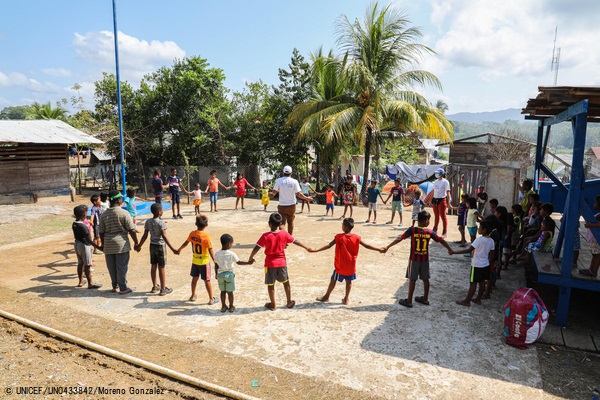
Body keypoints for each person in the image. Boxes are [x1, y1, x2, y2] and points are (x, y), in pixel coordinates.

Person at [383, 210, 452, 308]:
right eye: (429, 220)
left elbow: (400, 238)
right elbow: (441, 240)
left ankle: (409, 301)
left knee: (412, 279)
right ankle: (425, 299)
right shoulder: (429, 232)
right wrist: (449, 249)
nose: (429, 222)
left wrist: (388, 246)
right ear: (426, 220)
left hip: (414, 259)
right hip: (424, 260)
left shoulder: (412, 230)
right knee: (426, 279)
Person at [310, 218, 384, 305]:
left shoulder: (339, 237)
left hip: (340, 265)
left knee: (333, 279)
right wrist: (379, 249)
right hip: (351, 265)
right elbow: (367, 246)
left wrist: (316, 250)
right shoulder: (356, 237)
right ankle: (346, 299)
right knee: (348, 282)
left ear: (344, 227)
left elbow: (329, 245)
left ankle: (326, 296)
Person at [248, 212, 311, 310]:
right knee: (286, 282)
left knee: (270, 284)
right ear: (280, 224)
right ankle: (289, 302)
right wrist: (306, 247)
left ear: (269, 223)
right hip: (282, 263)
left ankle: (273, 304)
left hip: (270, 264)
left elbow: (257, 247)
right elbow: (295, 241)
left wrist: (251, 257)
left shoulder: (265, 236)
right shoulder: (284, 234)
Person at [99, 190, 138, 295]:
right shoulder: (124, 213)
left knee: (111, 266)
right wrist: (136, 243)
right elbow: (131, 230)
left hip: (108, 244)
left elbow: (101, 232)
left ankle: (114, 286)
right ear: (119, 200)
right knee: (121, 266)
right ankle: (123, 287)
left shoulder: (104, 214)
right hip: (121, 244)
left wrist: (103, 244)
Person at [135, 203, 179, 296]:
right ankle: (163, 289)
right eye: (162, 210)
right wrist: (173, 249)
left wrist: (139, 245)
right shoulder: (161, 223)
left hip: (152, 246)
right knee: (161, 267)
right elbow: (164, 236)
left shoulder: (148, 222)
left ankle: (155, 286)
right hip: (160, 247)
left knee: (153, 266)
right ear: (159, 212)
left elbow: (145, 236)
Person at [449, 220, 495, 307]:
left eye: (480, 227)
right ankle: (478, 299)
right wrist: (487, 262)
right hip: (485, 264)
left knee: (473, 283)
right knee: (481, 283)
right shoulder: (491, 241)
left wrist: (454, 252)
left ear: (484, 230)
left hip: (476, 265)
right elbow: (492, 255)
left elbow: (469, 250)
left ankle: (467, 300)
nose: (478, 229)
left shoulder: (479, 240)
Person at [177, 214, 219, 304]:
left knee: (194, 279)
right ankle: (211, 298)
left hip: (195, 261)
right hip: (204, 262)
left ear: (196, 223)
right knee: (207, 280)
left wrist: (179, 249)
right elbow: (211, 250)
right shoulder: (206, 237)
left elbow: (186, 243)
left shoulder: (192, 234)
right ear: (206, 225)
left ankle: (193, 295)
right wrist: (216, 261)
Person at [214, 234, 253, 312]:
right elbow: (238, 262)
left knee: (223, 291)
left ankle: (223, 306)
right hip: (229, 275)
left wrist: (216, 274)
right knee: (230, 292)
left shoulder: (217, 254)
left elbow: (216, 265)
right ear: (229, 243)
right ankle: (231, 306)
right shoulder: (231, 254)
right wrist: (248, 263)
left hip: (220, 275)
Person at [270, 166, 312, 235]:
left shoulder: (279, 181)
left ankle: (283, 238)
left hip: (282, 205)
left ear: (283, 172)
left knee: (282, 223)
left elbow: (273, 193)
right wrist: (306, 198)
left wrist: (269, 195)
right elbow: (298, 194)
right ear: (291, 173)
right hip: (292, 205)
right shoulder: (294, 181)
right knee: (290, 222)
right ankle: (289, 238)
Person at [72, 205, 102, 289]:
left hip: (77, 244)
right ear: (84, 215)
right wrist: (98, 247)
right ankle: (90, 283)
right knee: (87, 265)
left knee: (80, 263)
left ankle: (81, 281)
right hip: (84, 246)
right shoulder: (83, 226)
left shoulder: (74, 224)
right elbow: (89, 240)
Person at [580, 195, 600, 277]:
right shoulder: (599, 214)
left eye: (596, 203)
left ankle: (593, 271)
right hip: (594, 238)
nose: (594, 204)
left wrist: (591, 225)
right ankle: (591, 269)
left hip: (597, 238)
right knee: (594, 254)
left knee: (597, 255)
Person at [431, 168, 451, 237]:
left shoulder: (445, 182)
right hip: (435, 200)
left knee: (443, 216)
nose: (436, 174)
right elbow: (433, 191)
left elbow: (448, 192)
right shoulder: (435, 181)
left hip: (442, 200)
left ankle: (444, 231)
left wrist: (448, 202)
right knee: (436, 216)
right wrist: (430, 200)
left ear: (442, 174)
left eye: (438, 173)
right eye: (436, 173)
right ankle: (435, 229)